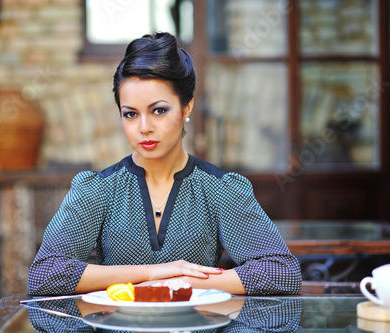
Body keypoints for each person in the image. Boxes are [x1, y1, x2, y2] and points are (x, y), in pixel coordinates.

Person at [27, 32, 302, 297]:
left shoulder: (221, 190)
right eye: (131, 114)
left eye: (159, 110)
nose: (144, 128)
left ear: (187, 108)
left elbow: (282, 272)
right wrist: (152, 273)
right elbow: (44, 274)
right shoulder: (97, 191)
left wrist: (183, 282)